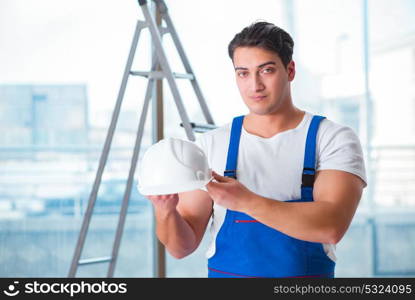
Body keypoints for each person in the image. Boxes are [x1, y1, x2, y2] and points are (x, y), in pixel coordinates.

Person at [146, 21, 366, 278]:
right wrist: (165, 210)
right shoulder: (212, 144)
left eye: (267, 70)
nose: (255, 85)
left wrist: (244, 201)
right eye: (243, 73)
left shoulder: (331, 138)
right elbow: (181, 247)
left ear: (290, 70)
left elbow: (331, 225)